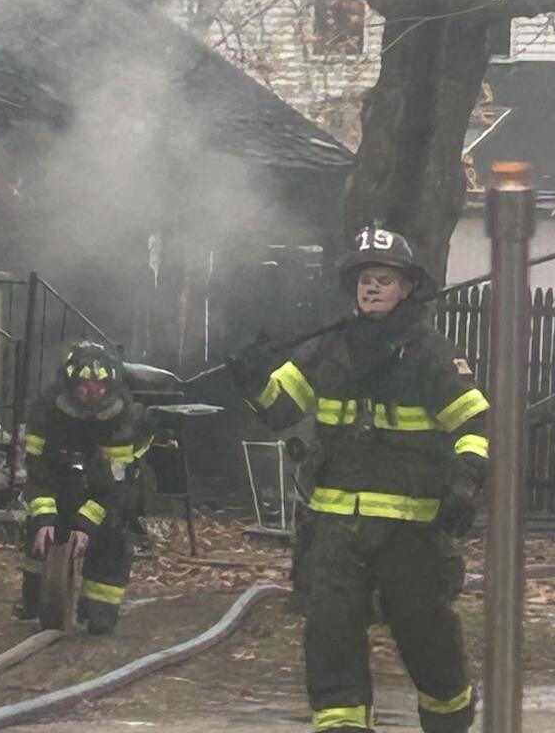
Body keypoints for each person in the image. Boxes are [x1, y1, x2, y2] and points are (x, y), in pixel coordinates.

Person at [229, 226, 489, 733]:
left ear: (407, 288)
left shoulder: (432, 356)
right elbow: (281, 411)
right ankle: (341, 724)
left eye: (384, 279)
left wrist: (466, 480)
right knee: (331, 632)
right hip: (336, 529)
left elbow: (474, 424)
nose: (371, 288)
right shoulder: (328, 351)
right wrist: (254, 380)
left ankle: (449, 714)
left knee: (423, 632)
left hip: (409, 530)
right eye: (365, 279)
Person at [15, 340, 155, 634]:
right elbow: (37, 469)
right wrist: (44, 517)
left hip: (110, 490)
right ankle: (34, 599)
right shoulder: (46, 408)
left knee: (113, 533)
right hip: (61, 476)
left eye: (99, 387)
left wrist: (86, 524)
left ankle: (98, 609)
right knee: (41, 529)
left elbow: (119, 487)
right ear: (69, 383)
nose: (91, 394)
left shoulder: (123, 418)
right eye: (84, 386)